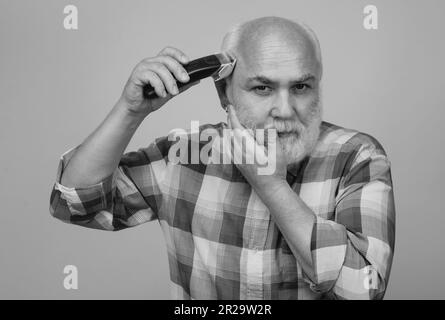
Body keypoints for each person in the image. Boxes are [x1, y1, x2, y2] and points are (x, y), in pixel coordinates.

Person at [49, 16, 395, 299]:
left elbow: (362, 291)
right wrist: (130, 111)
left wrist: (270, 184)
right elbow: (74, 203)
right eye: (262, 88)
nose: (285, 110)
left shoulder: (357, 156)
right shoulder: (185, 155)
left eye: (301, 87)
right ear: (224, 91)